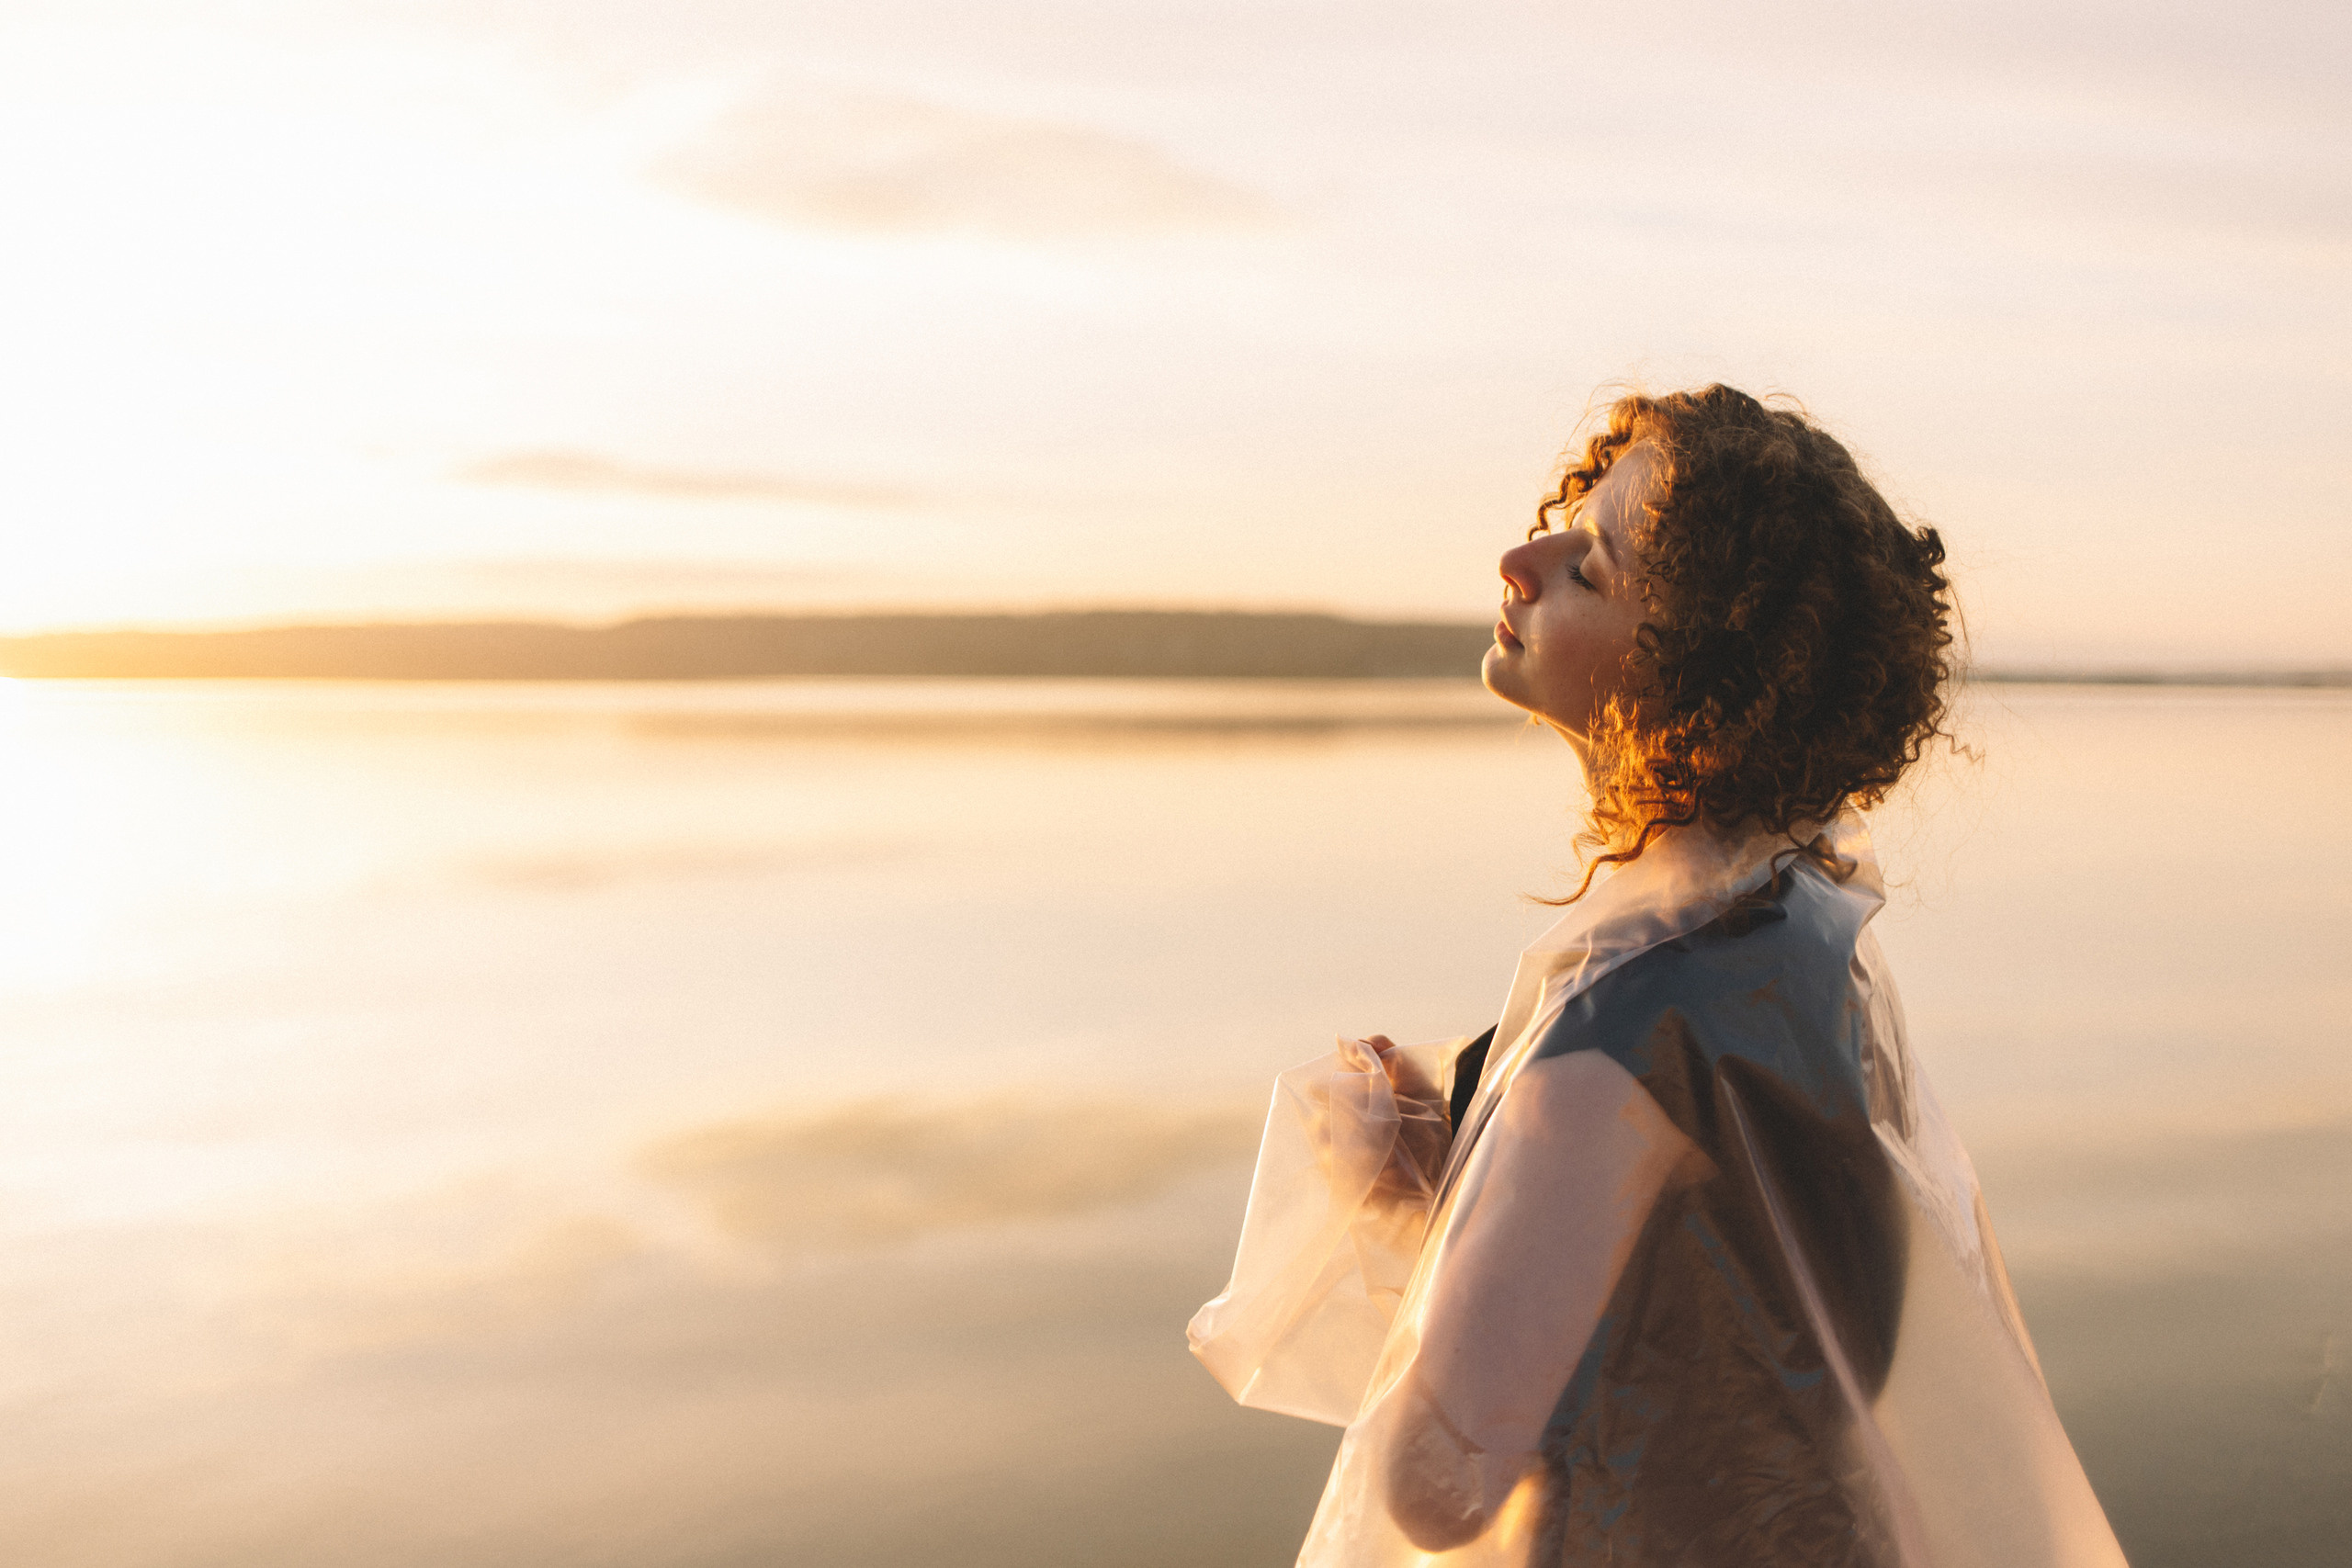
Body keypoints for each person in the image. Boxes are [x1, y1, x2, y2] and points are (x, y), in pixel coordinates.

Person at [1188, 386, 2126, 1567]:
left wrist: (1390, 1201)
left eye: (1589, 567)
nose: (1520, 559)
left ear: (1702, 676)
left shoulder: (1620, 1032)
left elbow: (1437, 1488)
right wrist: (1470, 1184)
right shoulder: (1804, 938)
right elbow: (1741, 1320)